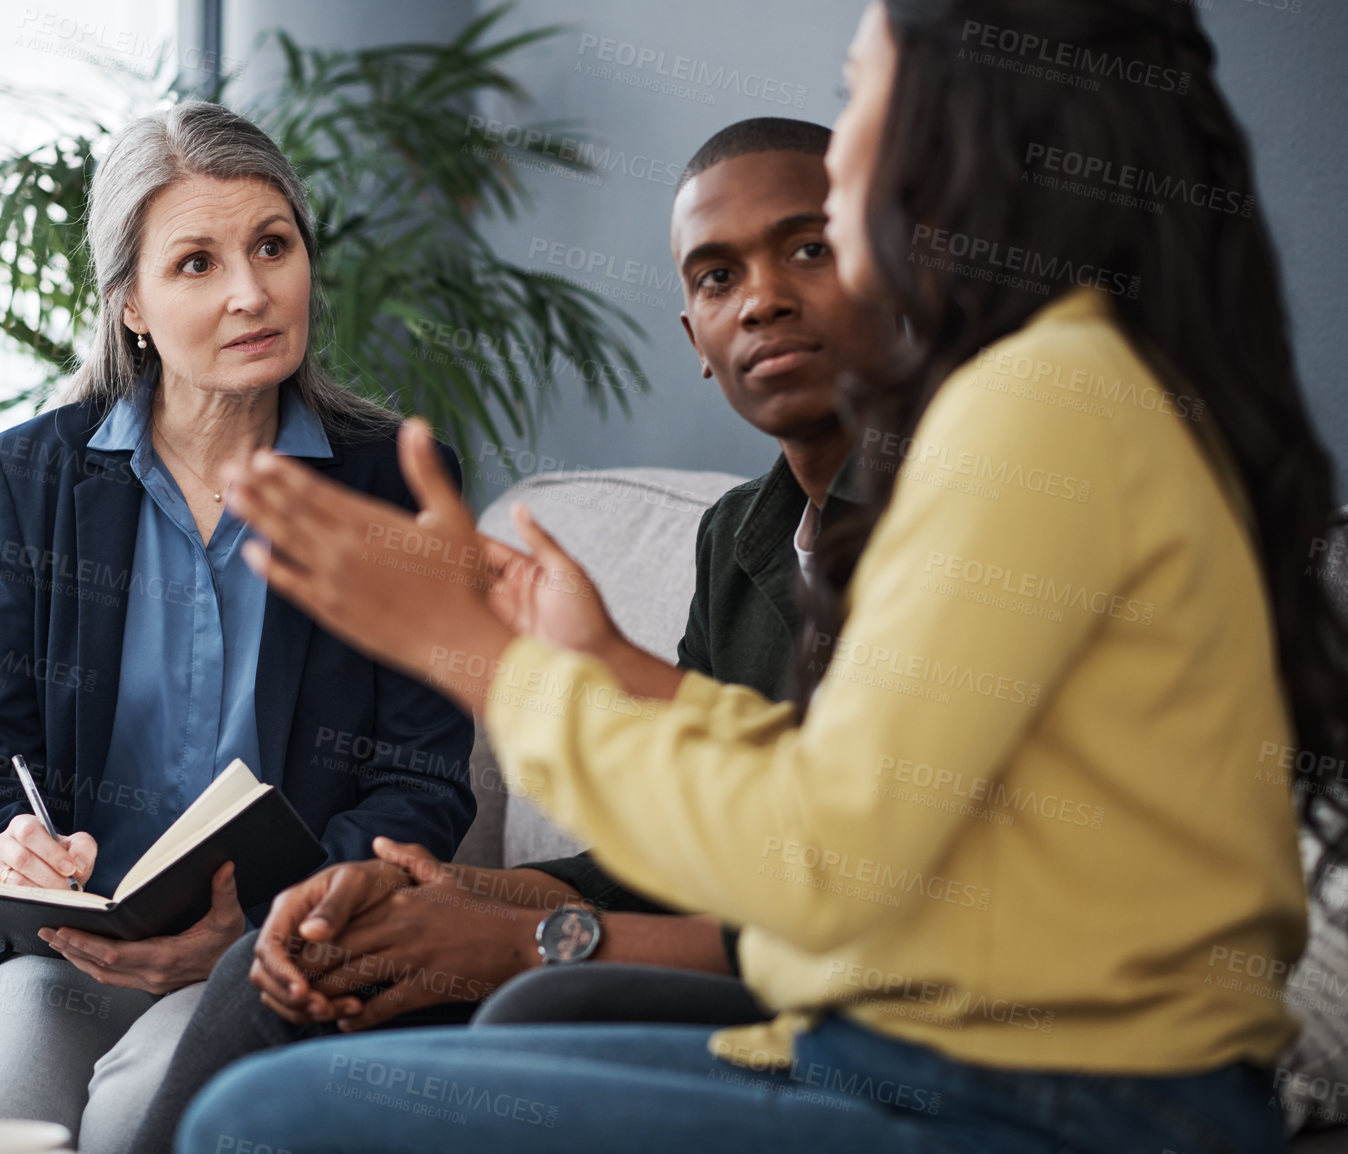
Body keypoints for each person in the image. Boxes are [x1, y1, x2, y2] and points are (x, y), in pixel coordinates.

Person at [180, 1, 1348, 1150]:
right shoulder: (1048, 393)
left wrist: (481, 663)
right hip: (931, 1054)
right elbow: (849, 797)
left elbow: (826, 858)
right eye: (715, 274)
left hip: (1043, 1092)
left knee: (259, 1119)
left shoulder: (1035, 411)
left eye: (860, 97)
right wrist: (603, 669)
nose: (831, 200)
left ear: (956, 121)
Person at [119, 116, 899, 1152]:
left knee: (538, 1006)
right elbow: (669, 854)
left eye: (809, 248)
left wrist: (528, 938)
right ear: (695, 343)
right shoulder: (740, 537)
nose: (760, 297)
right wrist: (438, 889)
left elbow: (859, 904)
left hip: (869, 1014)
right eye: (716, 278)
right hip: (728, 948)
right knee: (305, 944)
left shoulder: (947, 525)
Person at [0, 101, 477, 1154]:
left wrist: (257, 920)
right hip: (66, 953)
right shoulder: (31, 479)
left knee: (142, 1109)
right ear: (132, 306)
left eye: (272, 246)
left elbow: (422, 779)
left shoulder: (391, 480)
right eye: (197, 263)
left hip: (275, 949)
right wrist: (9, 840)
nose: (251, 292)